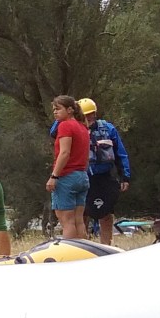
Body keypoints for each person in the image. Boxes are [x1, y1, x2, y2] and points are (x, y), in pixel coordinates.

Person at [79, 97, 132, 245]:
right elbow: (54, 132)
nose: (89, 117)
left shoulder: (107, 129)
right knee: (81, 214)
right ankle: (82, 247)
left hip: (104, 177)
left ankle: (106, 248)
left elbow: (120, 154)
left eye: (91, 113)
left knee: (106, 214)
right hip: (83, 177)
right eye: (85, 114)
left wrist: (125, 177)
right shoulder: (73, 129)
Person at [46, 95, 90, 239]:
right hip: (82, 176)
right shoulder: (83, 127)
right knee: (79, 221)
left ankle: (69, 257)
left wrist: (54, 176)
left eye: (58, 109)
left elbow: (64, 153)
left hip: (66, 177)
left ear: (70, 110)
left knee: (67, 222)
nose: (55, 112)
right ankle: (82, 254)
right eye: (53, 109)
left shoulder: (65, 125)